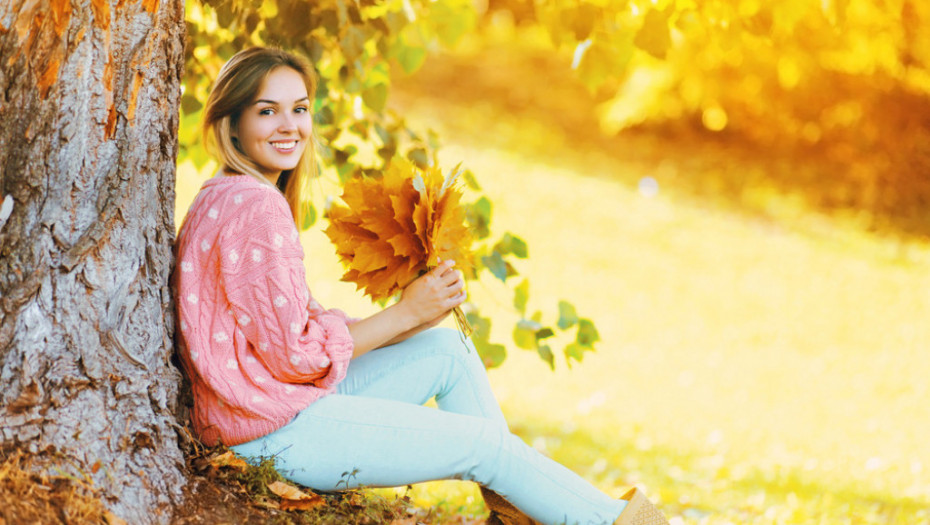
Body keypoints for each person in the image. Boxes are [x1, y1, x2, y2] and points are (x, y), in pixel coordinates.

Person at [174, 46, 669, 525]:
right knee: (487, 445)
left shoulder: (223, 195)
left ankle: (522, 509)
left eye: (299, 109)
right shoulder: (258, 208)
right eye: (267, 111)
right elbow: (297, 358)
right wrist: (405, 314)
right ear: (231, 123)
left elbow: (285, 335)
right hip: (268, 430)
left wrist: (413, 320)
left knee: (447, 350)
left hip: (259, 408)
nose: (289, 125)